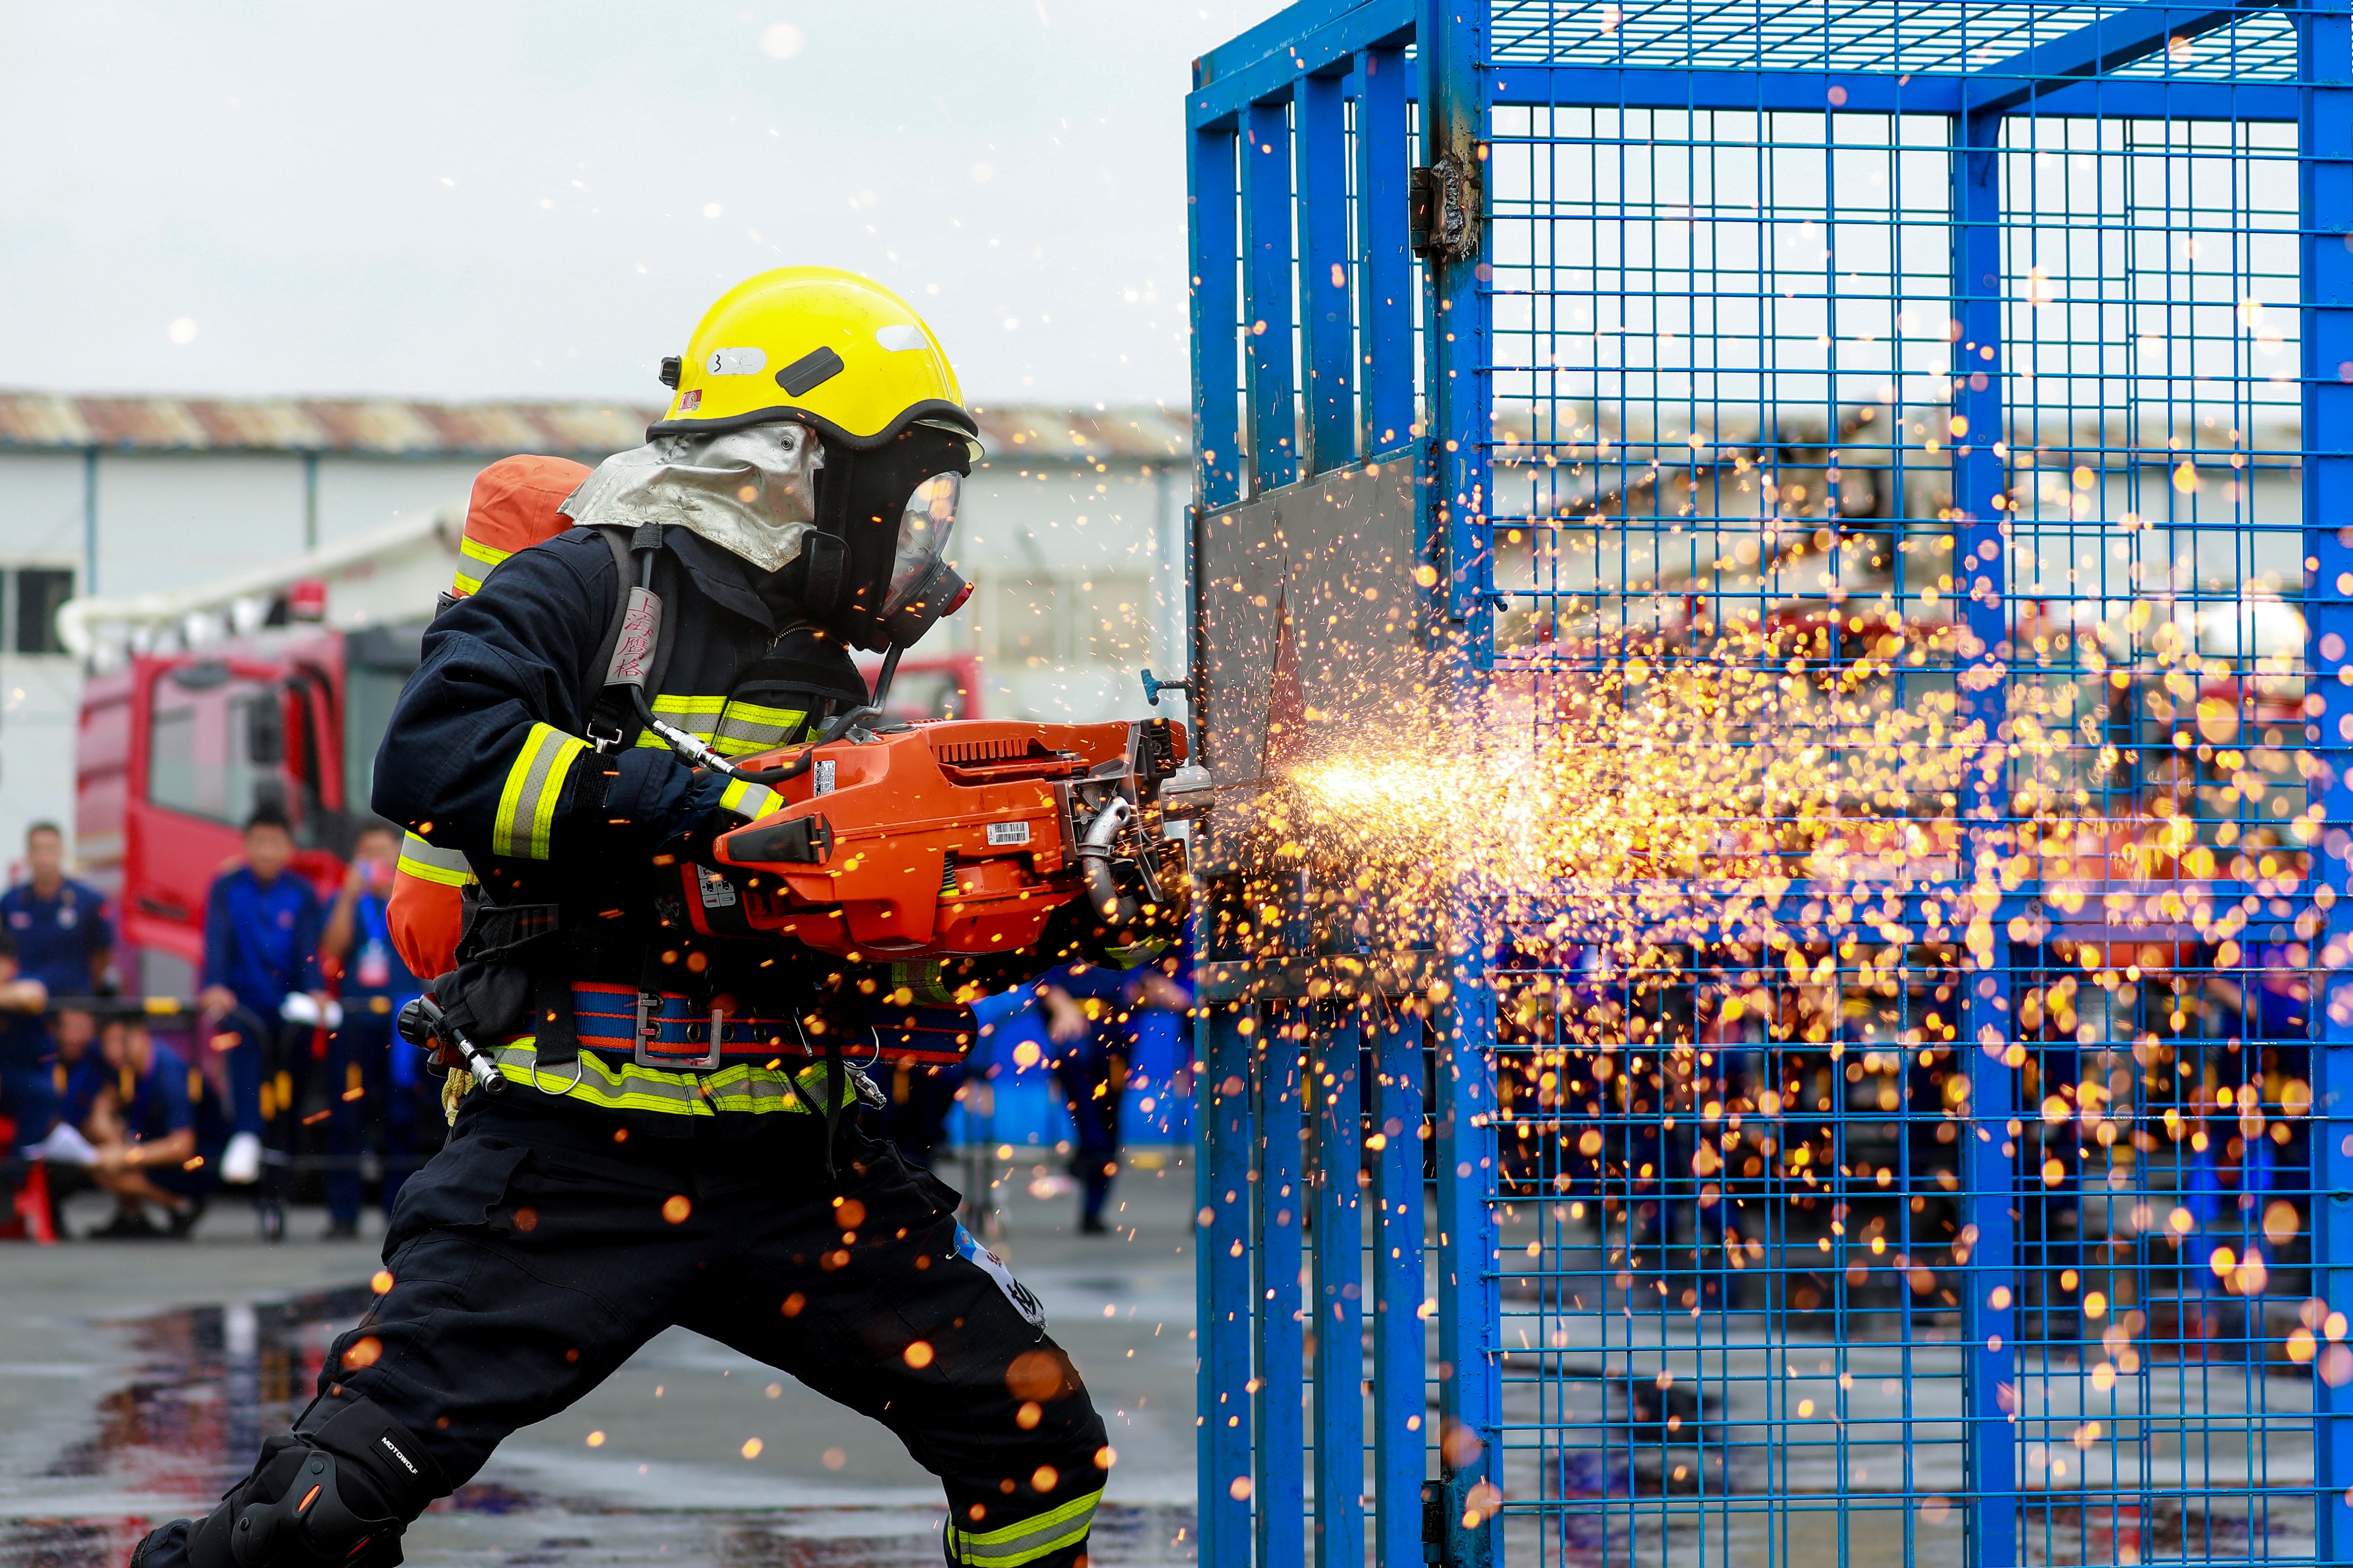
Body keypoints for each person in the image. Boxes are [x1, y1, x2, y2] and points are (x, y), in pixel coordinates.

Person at [133, 269, 1113, 1568]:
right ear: (792, 463)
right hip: (566, 1156)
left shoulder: (829, 668)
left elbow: (853, 933)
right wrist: (691, 806)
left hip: (798, 1163)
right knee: (312, 1517)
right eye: (910, 494)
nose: (922, 535)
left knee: (1038, 1445)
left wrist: (1029, 914)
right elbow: (429, 754)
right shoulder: (588, 589)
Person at [198, 805, 329, 1197]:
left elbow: (309, 951)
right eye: (260, 842)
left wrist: (317, 988)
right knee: (241, 1041)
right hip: (245, 1000)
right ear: (246, 845)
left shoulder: (302, 893)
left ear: (289, 848)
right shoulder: (227, 887)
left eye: (276, 843)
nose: (268, 851)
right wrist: (215, 984)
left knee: (302, 1059)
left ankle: (290, 1143)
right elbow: (217, 942)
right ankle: (246, 1134)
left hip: (289, 1004)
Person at [318, 822, 431, 1238]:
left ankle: (397, 1210)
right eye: (367, 855)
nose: (375, 864)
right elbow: (331, 949)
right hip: (354, 1023)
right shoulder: (345, 901)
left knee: (401, 1117)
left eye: (384, 853)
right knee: (346, 1116)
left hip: (400, 1025)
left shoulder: (408, 899)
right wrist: (350, 895)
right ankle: (342, 1211)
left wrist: (393, 894)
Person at [1035, 960, 1190, 1233]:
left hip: (1117, 1035)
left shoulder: (1132, 934)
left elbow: (1149, 978)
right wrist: (1061, 1006)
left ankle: (1093, 1208)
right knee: (1089, 1118)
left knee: (1109, 1120)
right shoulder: (1064, 929)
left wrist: (1153, 989)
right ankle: (1089, 1155)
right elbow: (1041, 978)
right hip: (1077, 1031)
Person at [71, 1014, 215, 1238]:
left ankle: (182, 1205)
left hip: (198, 1164)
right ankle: (132, 1216)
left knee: (107, 1167)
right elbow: (102, 1108)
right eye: (106, 1043)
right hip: (155, 1149)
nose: (111, 1052)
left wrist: (127, 1156)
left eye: (119, 1042)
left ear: (140, 1034)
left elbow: (182, 1147)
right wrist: (107, 1128)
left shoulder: (169, 1074)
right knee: (99, 1143)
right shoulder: (130, 1071)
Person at [1, 821, 116, 1001]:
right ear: (28, 855)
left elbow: (102, 954)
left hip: (74, 1006)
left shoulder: (87, 901)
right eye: (37, 849)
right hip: (25, 1009)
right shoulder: (11, 902)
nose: (44, 857)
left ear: (61, 852)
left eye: (51, 849)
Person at [0, 929, 56, 1193]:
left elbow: (32, 996)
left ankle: (11, 1180)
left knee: (43, 1094)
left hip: (19, 1080)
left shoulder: (28, 982)